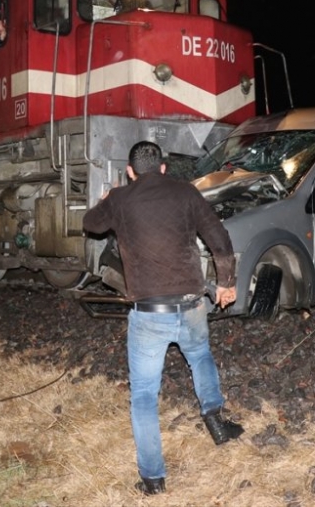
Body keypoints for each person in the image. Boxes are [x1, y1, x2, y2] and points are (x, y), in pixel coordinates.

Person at [83, 140, 243, 496]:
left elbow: (91, 224)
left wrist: (107, 198)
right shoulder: (186, 193)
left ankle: (153, 480)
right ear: (163, 167)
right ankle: (216, 421)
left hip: (149, 315)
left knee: (143, 395)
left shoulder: (121, 200)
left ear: (130, 171)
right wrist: (227, 284)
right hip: (191, 305)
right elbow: (218, 237)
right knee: (200, 356)